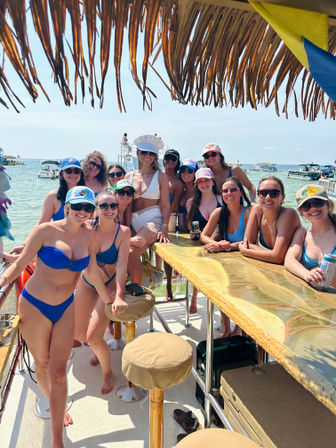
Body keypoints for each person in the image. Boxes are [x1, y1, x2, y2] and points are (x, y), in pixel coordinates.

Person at [0, 187, 124, 448]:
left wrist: (108, 297)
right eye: (78, 206)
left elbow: (90, 269)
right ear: (67, 206)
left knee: (58, 372)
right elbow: (21, 263)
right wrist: (1, 282)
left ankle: (57, 439)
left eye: (88, 208)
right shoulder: (45, 230)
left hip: (66, 306)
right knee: (42, 365)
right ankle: (56, 405)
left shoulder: (88, 235)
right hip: (35, 306)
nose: (83, 212)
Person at [74, 190, 130, 394]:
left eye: (113, 205)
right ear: (95, 209)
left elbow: (122, 265)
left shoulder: (123, 232)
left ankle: (108, 372)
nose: (109, 209)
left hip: (107, 284)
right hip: (87, 283)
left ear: (117, 208)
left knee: (93, 337)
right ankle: (98, 348)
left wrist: (118, 295)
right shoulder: (86, 230)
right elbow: (90, 270)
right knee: (80, 334)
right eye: (103, 205)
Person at [201, 178, 252, 336]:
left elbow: (250, 242)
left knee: (242, 297)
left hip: (246, 262)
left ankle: (240, 327)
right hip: (225, 261)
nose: (229, 194)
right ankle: (227, 328)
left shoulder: (249, 212)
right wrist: (215, 244)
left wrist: (228, 246)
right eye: (225, 191)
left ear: (241, 193)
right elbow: (204, 235)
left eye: (233, 190)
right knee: (222, 292)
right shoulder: (219, 212)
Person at [7, 157, 85, 260]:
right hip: (60, 245)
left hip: (82, 245)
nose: (73, 174)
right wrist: (25, 245)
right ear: (61, 173)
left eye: (76, 171)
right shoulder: (53, 197)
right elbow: (42, 224)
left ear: (81, 173)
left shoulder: (86, 196)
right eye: (68, 170)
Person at [125, 134, 170, 284]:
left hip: (152, 220)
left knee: (132, 252)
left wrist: (164, 227)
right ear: (137, 153)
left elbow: (165, 205)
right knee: (118, 252)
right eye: (144, 152)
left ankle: (137, 291)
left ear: (156, 156)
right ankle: (128, 289)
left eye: (152, 153)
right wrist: (124, 227)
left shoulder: (161, 176)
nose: (148, 156)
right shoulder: (129, 176)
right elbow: (125, 206)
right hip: (132, 220)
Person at [239, 176, 300, 264]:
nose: (267, 197)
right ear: (258, 196)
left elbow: (278, 257)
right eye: (263, 193)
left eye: (274, 193)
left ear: (282, 197)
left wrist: (246, 252)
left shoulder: (289, 214)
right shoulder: (257, 210)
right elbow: (247, 243)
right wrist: (272, 254)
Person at [285, 184, 336, 287]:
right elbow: (289, 260)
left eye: (318, 203)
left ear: (328, 204)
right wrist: (307, 274)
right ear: (302, 213)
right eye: (306, 206)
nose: (313, 208)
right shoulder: (302, 232)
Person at [186, 167, 222, 313]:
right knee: (195, 266)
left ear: (212, 181)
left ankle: (220, 311)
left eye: (206, 180)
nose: (203, 184)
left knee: (219, 281)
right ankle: (194, 298)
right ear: (196, 184)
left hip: (219, 244)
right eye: (200, 181)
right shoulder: (191, 203)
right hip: (199, 244)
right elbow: (191, 227)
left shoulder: (222, 199)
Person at [161, 149, 184, 300]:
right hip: (153, 215)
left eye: (173, 159)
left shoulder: (178, 182)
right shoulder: (157, 176)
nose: (170, 161)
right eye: (167, 158)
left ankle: (169, 284)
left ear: (177, 162)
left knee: (167, 251)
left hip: (169, 217)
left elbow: (174, 206)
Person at [178, 159, 198, 232]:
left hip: (196, 232)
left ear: (195, 173)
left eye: (190, 171)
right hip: (182, 231)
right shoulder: (181, 191)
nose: (186, 174)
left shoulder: (199, 191)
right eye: (183, 170)